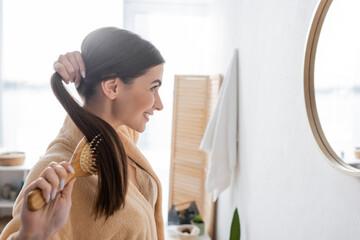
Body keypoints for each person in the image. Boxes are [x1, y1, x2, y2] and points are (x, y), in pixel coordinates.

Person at [0, 27, 165, 240]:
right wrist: (31, 235)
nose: (159, 104)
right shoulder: (55, 172)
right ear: (113, 88)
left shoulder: (120, 137)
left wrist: (88, 62)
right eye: (153, 88)